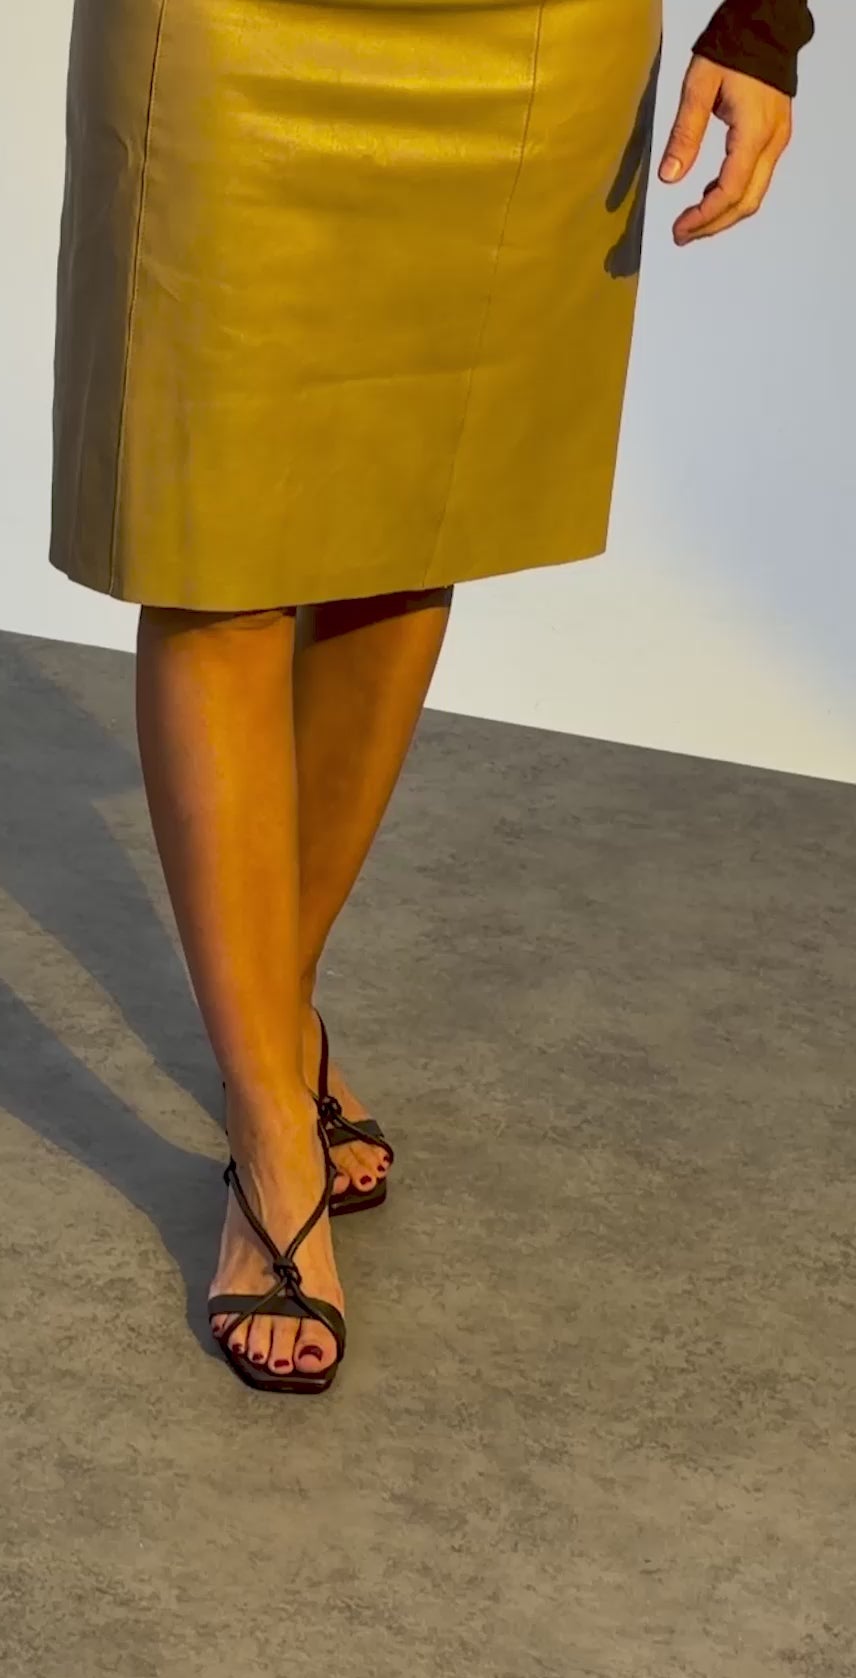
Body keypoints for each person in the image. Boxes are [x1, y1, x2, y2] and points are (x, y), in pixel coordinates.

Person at [48, 0, 815, 1394]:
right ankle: (273, 1131)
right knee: (209, 546)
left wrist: (765, 21)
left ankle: (275, 1035)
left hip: (528, 34)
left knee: (408, 521)